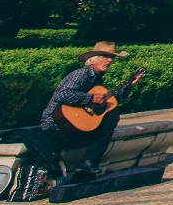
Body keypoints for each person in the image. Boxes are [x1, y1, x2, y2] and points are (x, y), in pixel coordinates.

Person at [23, 43, 134, 180]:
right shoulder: (82, 74)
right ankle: (89, 161)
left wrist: (127, 87)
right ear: (93, 59)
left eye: (112, 58)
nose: (110, 61)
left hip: (73, 125)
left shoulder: (96, 78)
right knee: (111, 115)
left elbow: (106, 101)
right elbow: (62, 94)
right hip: (57, 124)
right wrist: (90, 98)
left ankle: (89, 162)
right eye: (106, 57)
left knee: (111, 112)